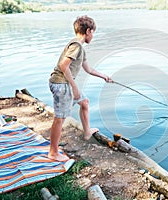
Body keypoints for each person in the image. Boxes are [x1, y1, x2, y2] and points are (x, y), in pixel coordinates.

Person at [48, 15, 112, 162]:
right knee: (60, 119)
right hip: (61, 84)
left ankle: (87, 132)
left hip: (64, 83)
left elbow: (88, 69)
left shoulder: (79, 48)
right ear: (88, 31)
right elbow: (63, 65)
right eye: (93, 32)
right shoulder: (76, 46)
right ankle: (53, 152)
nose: (93, 36)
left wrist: (104, 76)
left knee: (84, 102)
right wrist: (74, 87)